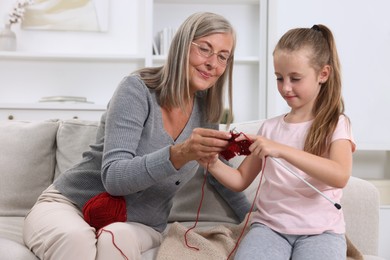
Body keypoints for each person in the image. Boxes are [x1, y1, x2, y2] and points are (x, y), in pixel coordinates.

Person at [23, 12, 250, 260]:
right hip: (71, 206)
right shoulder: (137, 90)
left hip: (140, 224)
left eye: (223, 57)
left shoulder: (205, 110)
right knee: (76, 240)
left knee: (116, 236)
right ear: (182, 46)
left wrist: (254, 218)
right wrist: (180, 153)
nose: (212, 63)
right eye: (205, 49)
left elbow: (216, 170)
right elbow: (114, 178)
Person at [199, 24, 356, 260]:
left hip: (321, 232)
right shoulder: (270, 128)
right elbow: (241, 179)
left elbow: (340, 175)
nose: (285, 87)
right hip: (270, 229)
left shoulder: (336, 123)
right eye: (279, 78)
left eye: (295, 78)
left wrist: (281, 150)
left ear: (323, 74)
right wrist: (211, 163)